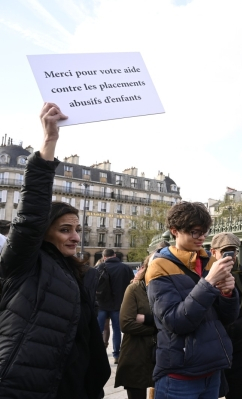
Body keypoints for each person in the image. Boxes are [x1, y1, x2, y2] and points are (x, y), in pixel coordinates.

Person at [0, 102, 110, 398]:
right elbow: (30, 215)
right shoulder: (24, 263)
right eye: (65, 230)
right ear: (43, 232)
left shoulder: (83, 275)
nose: (76, 237)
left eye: (77, 230)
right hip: (22, 388)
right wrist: (49, 142)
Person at [146, 201, 239, 398]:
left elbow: (228, 318)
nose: (202, 238)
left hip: (212, 369)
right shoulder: (159, 266)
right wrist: (209, 281)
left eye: (205, 232)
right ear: (175, 231)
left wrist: (228, 294)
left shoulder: (209, 261)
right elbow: (175, 321)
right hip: (179, 373)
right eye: (195, 232)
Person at [210, 232, 242, 399]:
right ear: (213, 252)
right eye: (225, 251)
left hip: (239, 351)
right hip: (213, 352)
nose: (230, 256)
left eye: (233, 251)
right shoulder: (205, 277)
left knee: (238, 393)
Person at [115, 253, 158, 399]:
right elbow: (126, 324)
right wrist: (158, 328)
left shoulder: (172, 289)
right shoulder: (134, 289)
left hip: (162, 355)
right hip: (136, 354)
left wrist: (146, 319)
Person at [97, 248, 135, 364]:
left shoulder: (99, 268)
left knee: (98, 330)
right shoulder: (125, 268)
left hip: (101, 305)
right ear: (114, 255)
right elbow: (132, 286)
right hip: (118, 305)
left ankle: (97, 353)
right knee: (117, 330)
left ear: (104, 257)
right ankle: (116, 355)